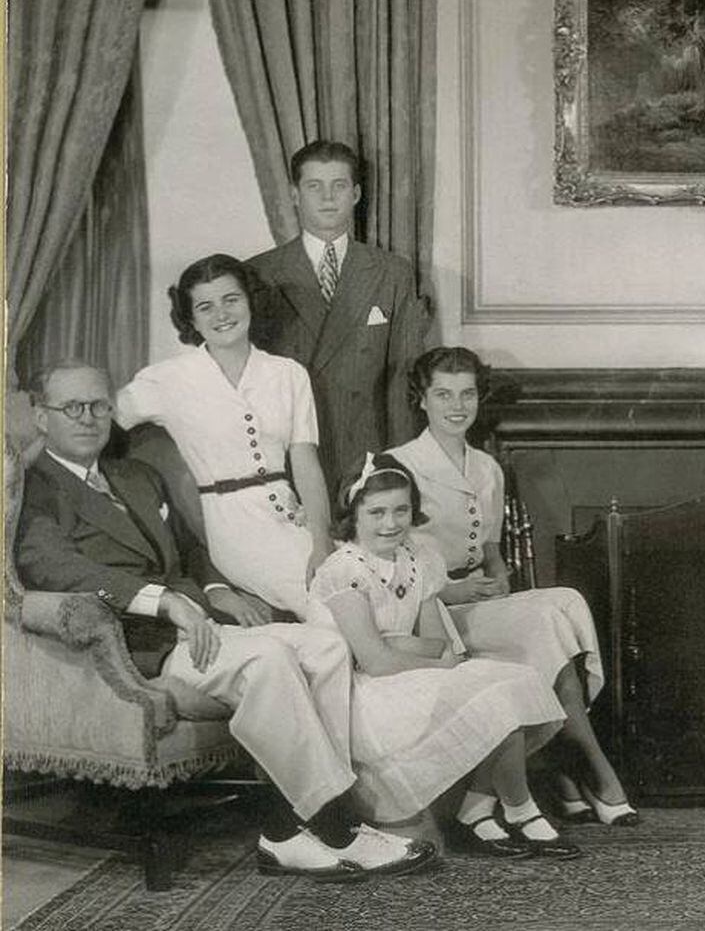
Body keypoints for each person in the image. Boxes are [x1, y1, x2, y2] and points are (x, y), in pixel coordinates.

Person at [16, 360, 435, 880]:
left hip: (200, 625)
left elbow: (191, 552)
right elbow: (54, 568)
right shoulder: (30, 489)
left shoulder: (135, 476)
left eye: (99, 405)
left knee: (326, 645)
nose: (88, 417)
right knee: (270, 658)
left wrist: (219, 590)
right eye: (71, 407)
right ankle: (332, 827)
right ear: (40, 416)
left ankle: (292, 827)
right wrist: (164, 602)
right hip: (136, 644)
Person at [387, 347, 638, 825]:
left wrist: (500, 576)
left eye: (467, 394)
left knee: (562, 606)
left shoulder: (487, 468)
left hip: (481, 603)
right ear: (422, 400)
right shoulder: (399, 463)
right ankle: (590, 769)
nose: (456, 406)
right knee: (548, 619)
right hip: (436, 613)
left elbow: (492, 551)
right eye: (443, 395)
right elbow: (392, 568)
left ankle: (569, 770)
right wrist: (449, 592)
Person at [309, 453, 581, 859]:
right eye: (377, 512)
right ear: (354, 512)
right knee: (486, 690)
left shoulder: (416, 559)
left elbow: (435, 640)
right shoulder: (343, 569)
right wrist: (415, 653)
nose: (390, 523)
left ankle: (478, 810)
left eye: (401, 510)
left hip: (404, 672)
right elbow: (374, 661)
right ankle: (520, 810)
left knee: (513, 680)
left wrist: (405, 646)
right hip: (358, 695)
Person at [116, 255, 332, 619]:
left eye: (231, 300)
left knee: (364, 587)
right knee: (334, 609)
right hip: (232, 526)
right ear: (191, 319)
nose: (221, 315)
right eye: (205, 306)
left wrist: (322, 542)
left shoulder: (288, 374)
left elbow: (306, 464)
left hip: (295, 518)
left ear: (250, 301)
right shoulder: (166, 379)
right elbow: (95, 420)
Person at [248, 140, 433, 482]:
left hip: (366, 456)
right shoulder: (258, 274)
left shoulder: (392, 272)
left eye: (339, 185)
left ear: (357, 194)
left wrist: (398, 467)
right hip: (289, 456)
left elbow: (402, 379)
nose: (328, 197)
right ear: (294, 194)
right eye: (314, 186)